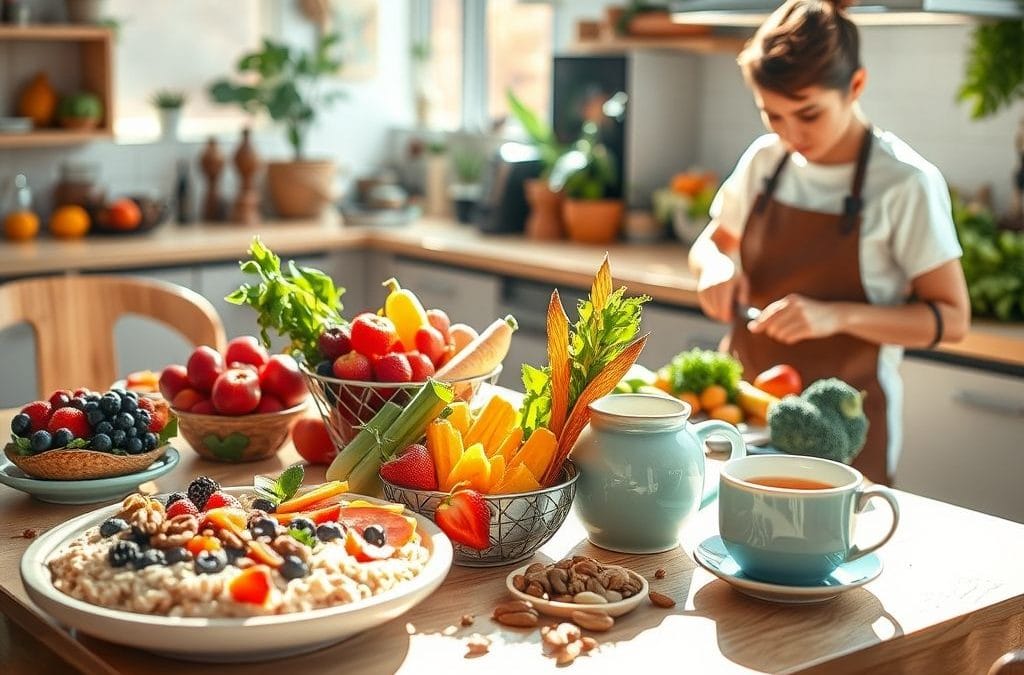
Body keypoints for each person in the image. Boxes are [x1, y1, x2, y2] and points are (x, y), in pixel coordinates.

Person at [688, 0, 970, 484]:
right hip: (742, 417)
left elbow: (951, 319)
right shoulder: (764, 161)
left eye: (808, 113)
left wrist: (835, 316)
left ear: (856, 86)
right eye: (772, 115)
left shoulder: (905, 183)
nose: (790, 134)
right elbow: (713, 242)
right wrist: (716, 266)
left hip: (847, 428)